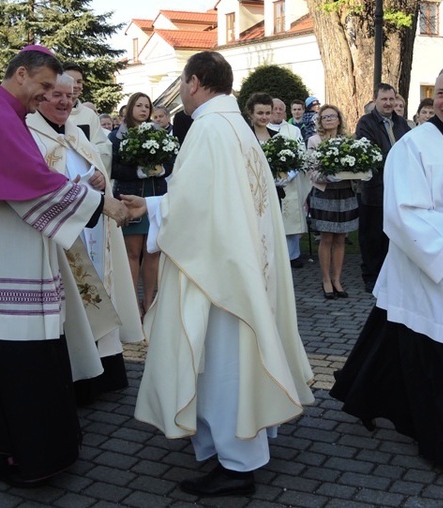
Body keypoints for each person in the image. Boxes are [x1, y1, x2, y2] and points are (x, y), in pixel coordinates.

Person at [122, 51, 314, 497]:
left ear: (193, 82)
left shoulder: (209, 128)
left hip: (222, 277)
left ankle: (237, 464)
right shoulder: (238, 128)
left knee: (225, 364)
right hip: (244, 265)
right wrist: (150, 206)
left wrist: (149, 208)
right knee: (237, 361)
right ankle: (244, 439)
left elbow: (193, 207)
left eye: (182, 83)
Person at [0, 45, 130, 488]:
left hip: (0, 261)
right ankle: (35, 461)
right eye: (46, 87)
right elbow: (31, 184)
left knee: (10, 377)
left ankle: (10, 457)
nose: (50, 95)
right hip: (9, 270)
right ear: (23, 75)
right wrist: (102, 205)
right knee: (26, 374)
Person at [330, 63, 443, 481]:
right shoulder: (413, 146)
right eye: (442, 94)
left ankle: (365, 393)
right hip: (426, 265)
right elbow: (401, 214)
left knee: (399, 337)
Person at [27, 73, 143, 404]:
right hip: (63, 238)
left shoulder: (77, 133)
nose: (65, 101)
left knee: (98, 292)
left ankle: (105, 373)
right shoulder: (31, 134)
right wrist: (81, 188)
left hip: (93, 233)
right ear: (42, 96)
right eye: (57, 95)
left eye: (70, 95)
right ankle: (76, 378)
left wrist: (100, 182)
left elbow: (100, 172)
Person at [109, 92, 172, 314]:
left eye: (147, 106)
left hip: (155, 196)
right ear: (130, 108)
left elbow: (172, 162)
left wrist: (162, 169)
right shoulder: (116, 137)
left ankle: (149, 302)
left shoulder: (161, 135)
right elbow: (113, 168)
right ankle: (132, 304)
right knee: (133, 253)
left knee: (153, 250)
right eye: (139, 105)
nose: (144, 110)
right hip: (129, 196)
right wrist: (138, 172)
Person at [355, 83, 410, 292]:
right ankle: (371, 276)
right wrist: (396, 161)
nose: (389, 103)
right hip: (375, 189)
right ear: (375, 101)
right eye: (384, 99)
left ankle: (390, 275)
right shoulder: (366, 123)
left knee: (391, 236)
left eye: (392, 99)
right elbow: (370, 152)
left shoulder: (401, 123)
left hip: (399, 189)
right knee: (372, 236)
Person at [306, 105, 360, 299]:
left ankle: (337, 279)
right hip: (324, 193)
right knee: (326, 237)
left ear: (339, 119)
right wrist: (329, 177)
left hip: (345, 193)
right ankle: (326, 279)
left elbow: (357, 166)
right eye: (324, 117)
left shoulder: (348, 141)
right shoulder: (314, 141)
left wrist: (361, 173)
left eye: (332, 116)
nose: (328, 119)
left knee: (340, 238)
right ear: (320, 121)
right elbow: (311, 170)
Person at [269, 97, 311, 268]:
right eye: (274, 109)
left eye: (281, 109)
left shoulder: (293, 130)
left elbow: (301, 153)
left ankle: (293, 256)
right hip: (269, 181)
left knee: (291, 219)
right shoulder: (262, 129)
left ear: (285, 112)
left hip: (291, 182)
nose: (278, 111)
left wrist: (290, 173)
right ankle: (274, 256)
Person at [63, 62, 113, 174]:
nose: (76, 85)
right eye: (71, 80)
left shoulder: (89, 115)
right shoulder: (48, 112)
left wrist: (98, 170)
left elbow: (103, 146)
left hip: (87, 174)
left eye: (79, 82)